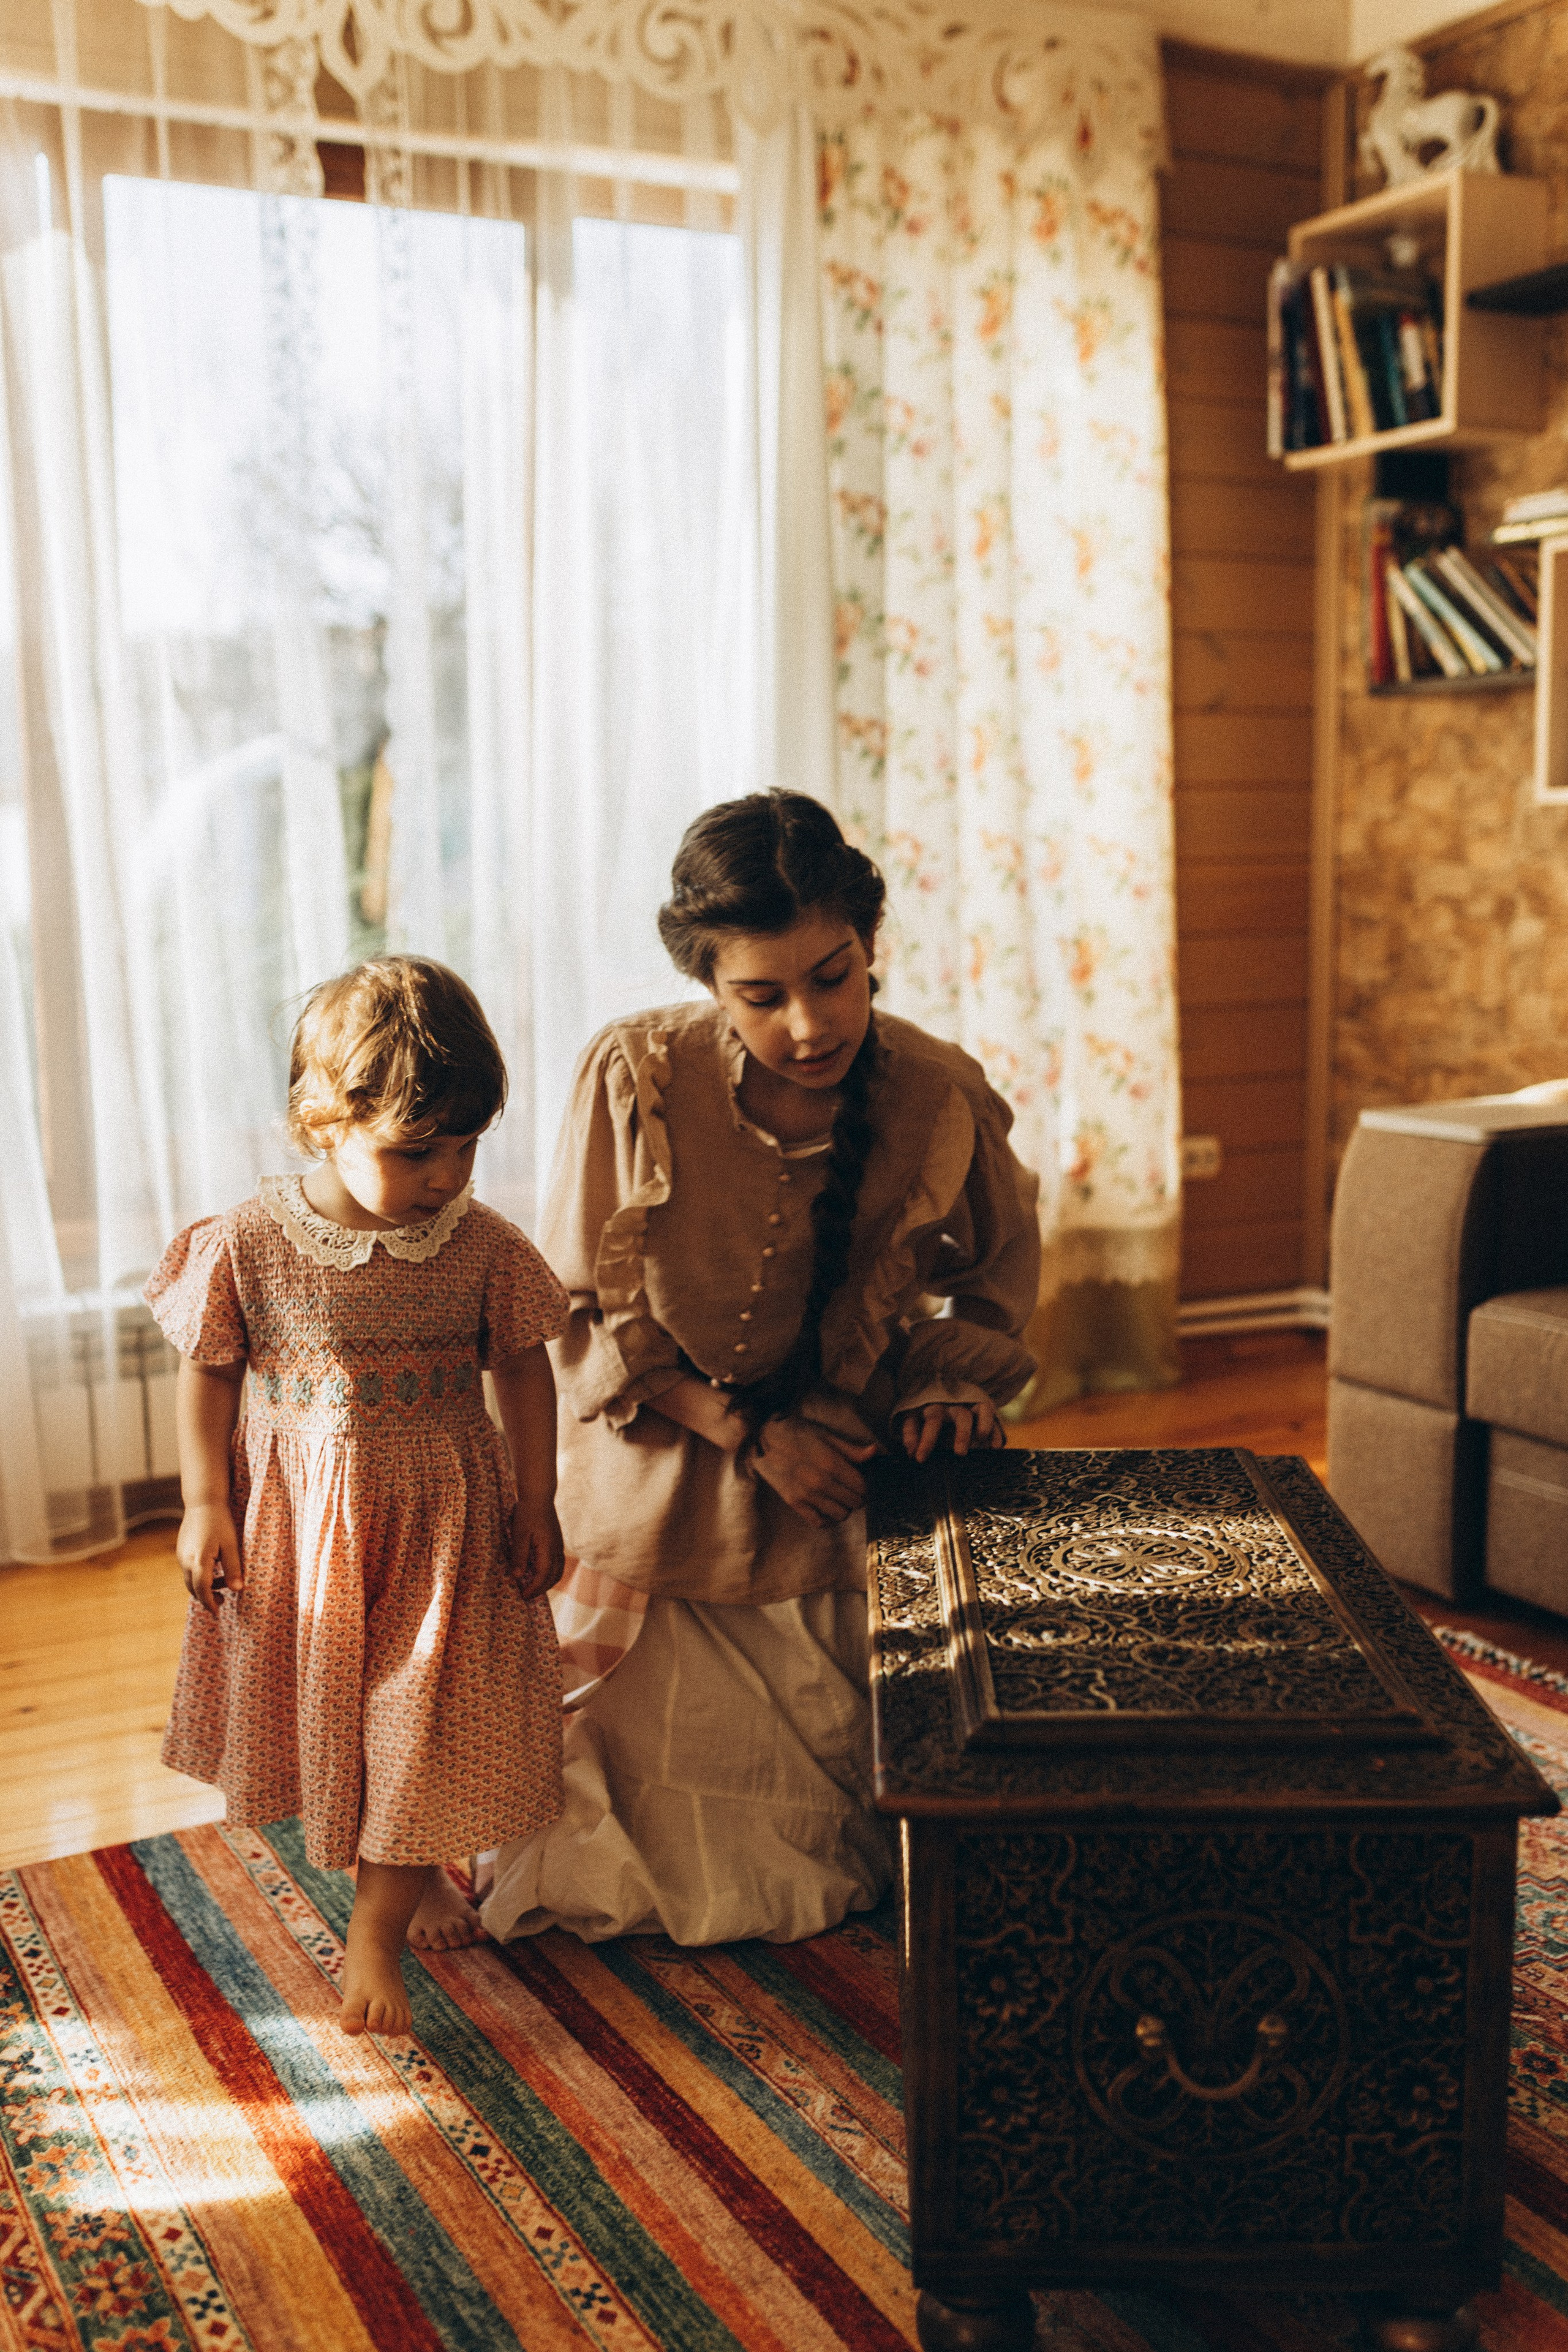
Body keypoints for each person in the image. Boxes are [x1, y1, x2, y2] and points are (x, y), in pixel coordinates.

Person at [482, 791, 1040, 1948]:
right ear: (706, 980)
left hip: (845, 1486)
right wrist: (745, 1432)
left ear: (870, 946)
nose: (806, 1023)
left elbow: (996, 1278)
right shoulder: (633, 1076)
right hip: (668, 1471)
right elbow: (572, 1308)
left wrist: (947, 1380)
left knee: (904, 1821)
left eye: (834, 976)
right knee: (626, 1848)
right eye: (762, 994)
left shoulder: (938, 1092)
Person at [146, 956, 570, 2035]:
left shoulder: (481, 1246)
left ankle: (373, 1932)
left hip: (449, 1529)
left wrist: (536, 1498)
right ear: (321, 1124)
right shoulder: (249, 1242)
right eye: (416, 1151)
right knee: (354, 1721)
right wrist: (204, 1505)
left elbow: (524, 1364)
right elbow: (210, 1367)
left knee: (423, 1721)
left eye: (468, 1146)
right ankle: (413, 1871)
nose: (447, 1175)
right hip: (309, 1536)